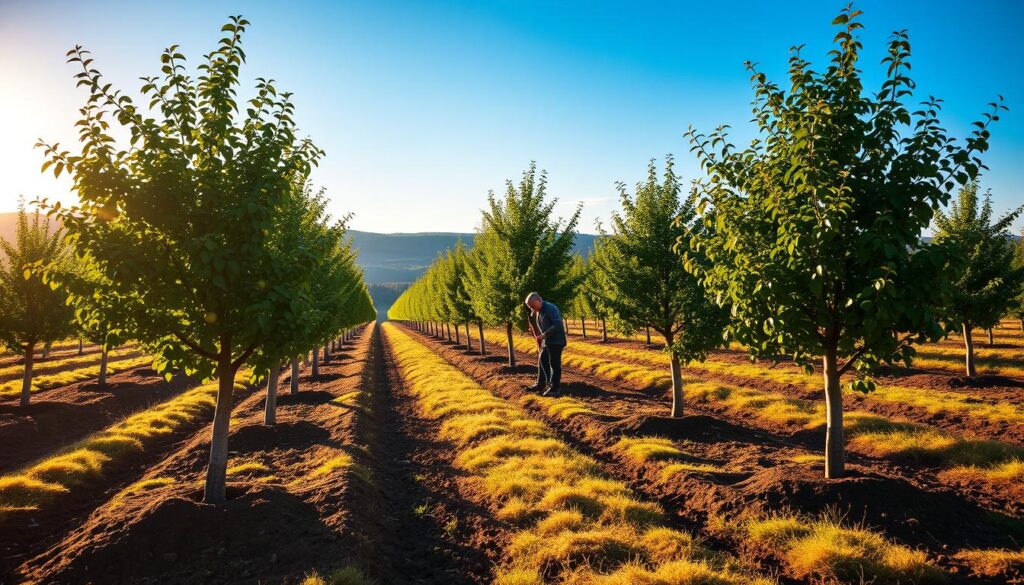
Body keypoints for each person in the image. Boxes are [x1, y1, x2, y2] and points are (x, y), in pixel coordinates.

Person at [524, 292, 566, 397]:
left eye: (532, 306)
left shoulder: (550, 308)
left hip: (556, 341)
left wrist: (543, 335)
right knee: (542, 359)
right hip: (548, 341)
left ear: (538, 301)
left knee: (554, 364)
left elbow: (557, 324)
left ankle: (555, 389)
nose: (532, 308)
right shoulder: (540, 310)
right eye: (530, 307)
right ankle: (541, 384)